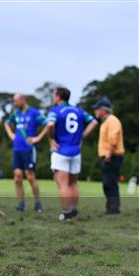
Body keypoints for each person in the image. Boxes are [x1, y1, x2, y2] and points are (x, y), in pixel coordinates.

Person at [47, 87, 98, 220]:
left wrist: (51, 139)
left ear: (58, 97)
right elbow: (93, 121)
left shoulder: (55, 110)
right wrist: (82, 136)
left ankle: (67, 212)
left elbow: (50, 125)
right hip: (76, 152)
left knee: (63, 184)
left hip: (61, 151)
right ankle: (74, 209)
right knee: (73, 183)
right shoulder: (79, 110)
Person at [4, 93, 48, 212]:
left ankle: (38, 203)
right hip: (17, 149)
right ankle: (21, 205)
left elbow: (47, 124)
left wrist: (38, 137)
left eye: (16, 101)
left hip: (28, 149)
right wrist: (11, 134)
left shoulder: (34, 112)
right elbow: (7, 123)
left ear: (23, 100)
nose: (14, 103)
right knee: (17, 178)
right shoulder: (16, 113)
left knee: (30, 177)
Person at [93, 96, 125, 214]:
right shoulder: (106, 121)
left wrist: (108, 156)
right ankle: (111, 207)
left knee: (110, 183)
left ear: (103, 109)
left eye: (97, 109)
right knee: (108, 183)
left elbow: (113, 139)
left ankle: (113, 208)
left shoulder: (112, 121)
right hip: (108, 156)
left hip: (112, 156)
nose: (95, 111)